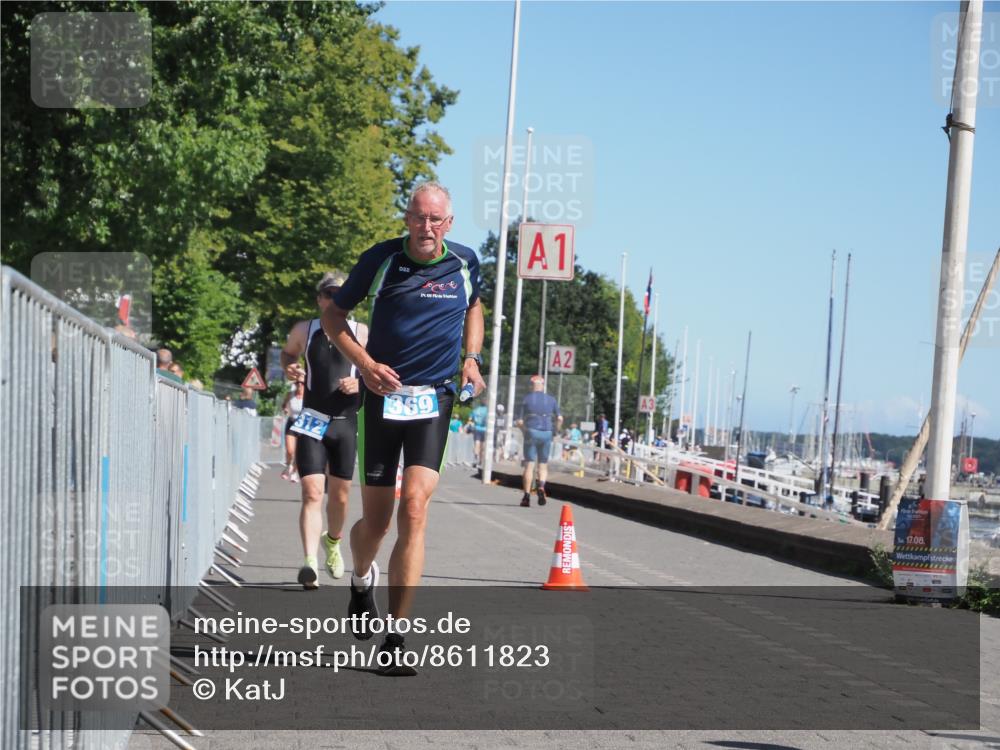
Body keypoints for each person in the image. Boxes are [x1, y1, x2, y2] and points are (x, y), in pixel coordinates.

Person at [322, 181, 484, 675]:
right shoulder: (382, 259)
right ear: (407, 218)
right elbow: (333, 317)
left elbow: (475, 306)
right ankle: (360, 579)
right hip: (382, 401)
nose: (427, 227)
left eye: (436, 220)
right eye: (419, 217)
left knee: (414, 507)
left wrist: (472, 360)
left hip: (434, 399)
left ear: (449, 224)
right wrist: (366, 365)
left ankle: (395, 636)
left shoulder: (465, 261)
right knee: (377, 522)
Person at [281, 272, 367, 590]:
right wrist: (289, 365)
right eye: (329, 294)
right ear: (320, 299)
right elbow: (288, 353)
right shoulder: (305, 330)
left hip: (345, 423)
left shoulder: (362, 332)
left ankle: (332, 542)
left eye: (341, 294)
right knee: (312, 492)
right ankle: (309, 563)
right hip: (312, 419)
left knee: (340, 497)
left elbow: (378, 370)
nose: (335, 300)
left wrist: (360, 382)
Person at [518, 374, 561, 507]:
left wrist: (525, 431)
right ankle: (541, 486)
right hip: (547, 432)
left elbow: (519, 421)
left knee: (529, 465)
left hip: (532, 431)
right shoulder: (552, 400)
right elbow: (560, 419)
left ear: (532, 385)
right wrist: (555, 431)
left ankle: (526, 496)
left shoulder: (526, 399)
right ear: (543, 385)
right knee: (543, 464)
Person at [281, 379, 306, 482]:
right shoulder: (290, 395)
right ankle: (288, 465)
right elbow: (284, 405)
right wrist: (286, 409)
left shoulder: (308, 396)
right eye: (297, 383)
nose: (299, 385)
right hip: (291, 422)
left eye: (302, 383)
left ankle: (295, 472)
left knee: (298, 451)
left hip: (303, 424)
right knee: (290, 450)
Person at [471, 402, 488, 466]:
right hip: (485, 429)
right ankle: (480, 460)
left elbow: (471, 418)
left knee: (477, 443)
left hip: (477, 428)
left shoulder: (476, 410)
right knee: (483, 446)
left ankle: (476, 454)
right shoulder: (488, 410)